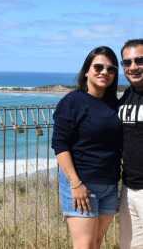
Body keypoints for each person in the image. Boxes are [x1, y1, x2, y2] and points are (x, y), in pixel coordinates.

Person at [52, 46, 122, 249]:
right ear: (87, 71)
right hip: (82, 184)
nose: (104, 72)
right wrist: (75, 184)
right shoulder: (72, 102)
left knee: (97, 243)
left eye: (110, 69)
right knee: (85, 245)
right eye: (98, 67)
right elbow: (60, 145)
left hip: (109, 184)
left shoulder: (114, 105)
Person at [119, 39, 143, 249]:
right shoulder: (127, 95)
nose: (133, 67)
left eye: (139, 60)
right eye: (127, 62)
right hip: (128, 188)